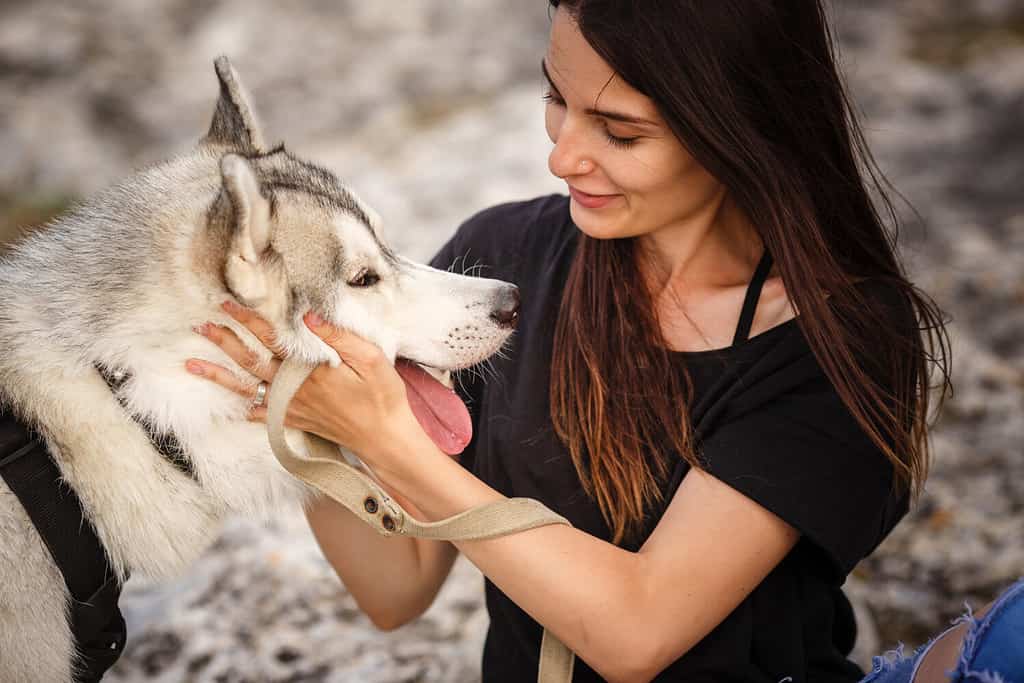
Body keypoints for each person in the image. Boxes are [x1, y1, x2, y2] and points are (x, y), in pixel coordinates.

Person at [186, 2, 1023, 681]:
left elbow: (634, 633)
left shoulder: (836, 340)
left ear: (738, 127)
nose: (562, 155)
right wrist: (299, 406)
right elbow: (395, 587)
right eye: (557, 98)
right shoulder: (511, 260)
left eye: (618, 131)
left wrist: (385, 437)